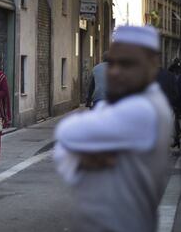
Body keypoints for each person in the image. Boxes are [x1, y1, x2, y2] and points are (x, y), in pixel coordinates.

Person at [54, 26, 172, 232]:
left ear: (153, 63)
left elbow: (66, 132)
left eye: (127, 64)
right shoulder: (132, 101)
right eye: (113, 63)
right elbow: (62, 151)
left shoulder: (142, 108)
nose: (115, 71)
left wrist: (84, 153)